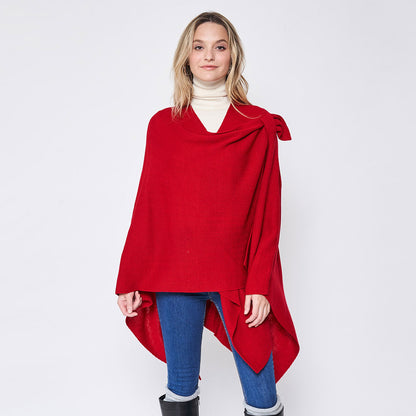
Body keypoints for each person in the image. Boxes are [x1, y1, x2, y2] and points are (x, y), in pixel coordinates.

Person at [115, 11, 300, 416]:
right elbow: (148, 206)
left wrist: (260, 285)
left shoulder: (257, 125)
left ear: (233, 56)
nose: (209, 56)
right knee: (180, 388)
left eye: (219, 47)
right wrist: (130, 276)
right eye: (199, 47)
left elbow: (268, 211)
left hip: (238, 277)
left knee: (262, 396)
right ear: (187, 55)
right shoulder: (162, 125)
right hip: (173, 275)